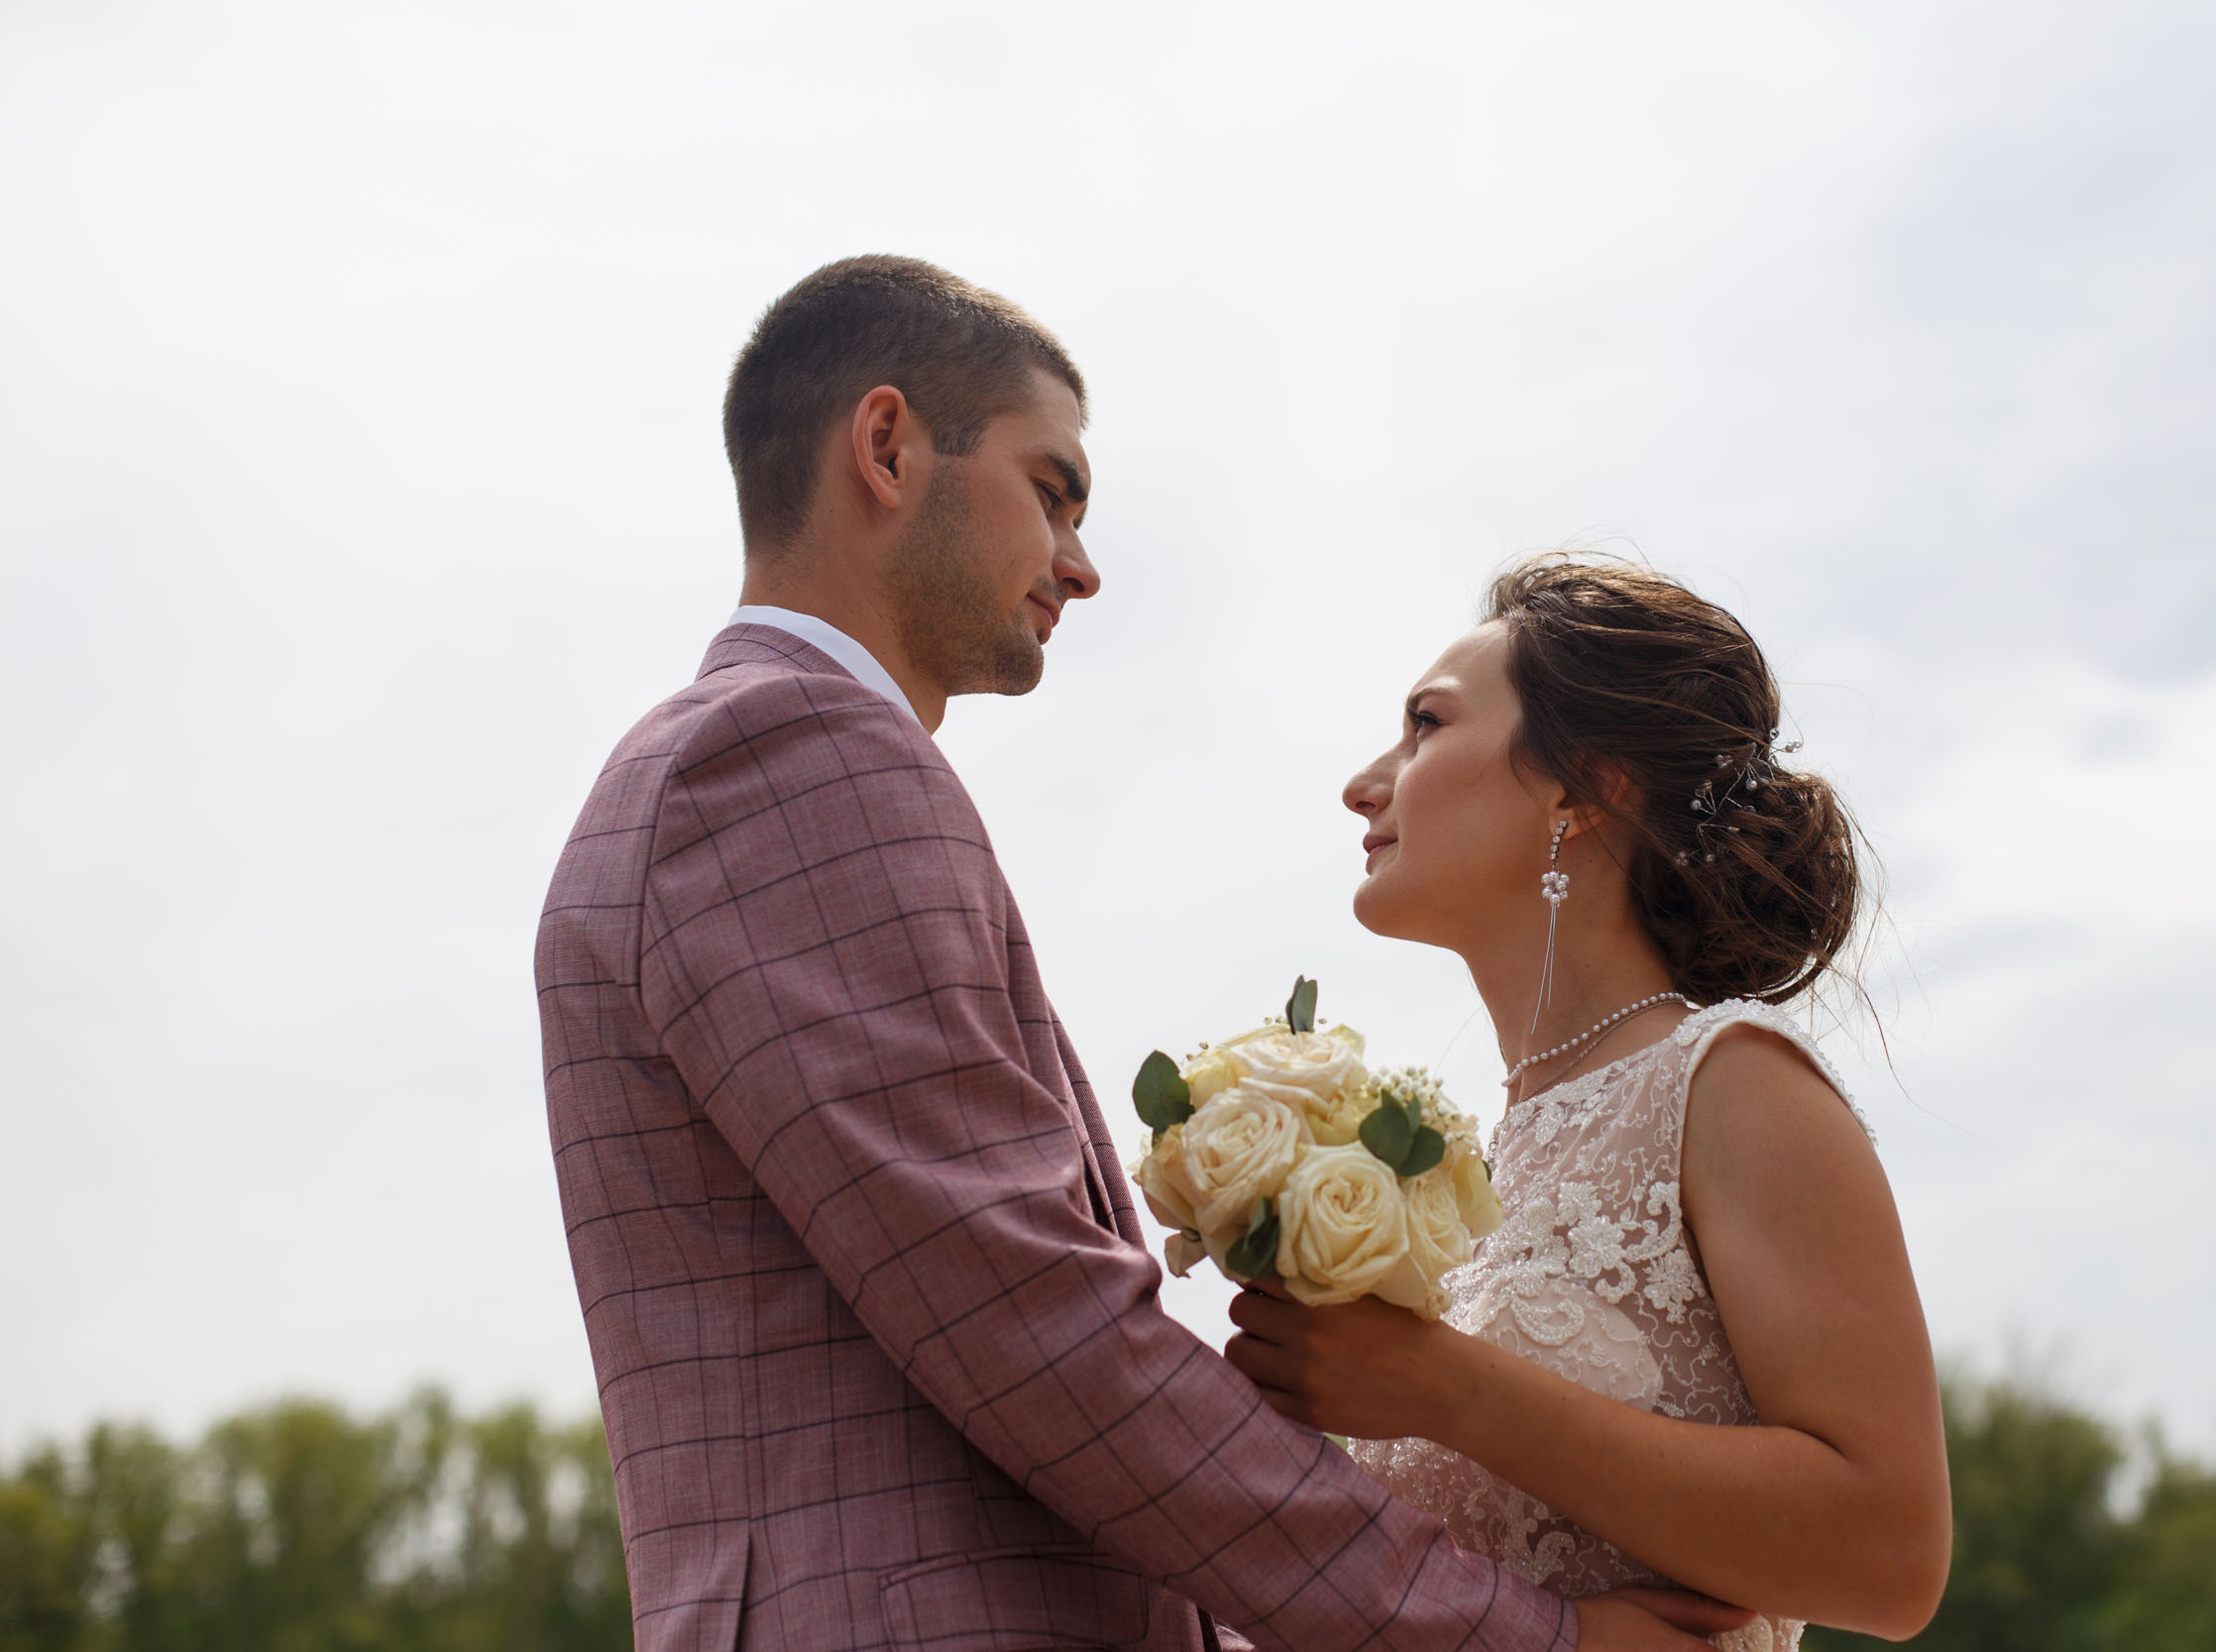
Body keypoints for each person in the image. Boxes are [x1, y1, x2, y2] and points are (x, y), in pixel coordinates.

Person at [534, 257, 1750, 1651]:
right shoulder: (786, 755)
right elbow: (1036, 1327)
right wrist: (1522, 1637)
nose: (1082, 563)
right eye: (1053, 489)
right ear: (887, 447)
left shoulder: (757, 764)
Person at [1221, 559, 1954, 1649]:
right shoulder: (1463, 1161)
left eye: (1425, 725)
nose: (1365, 782)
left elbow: (1890, 1560)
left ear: (1582, 789)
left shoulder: (1733, 1080)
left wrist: (1445, 1387)